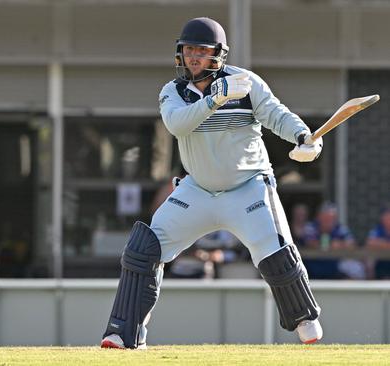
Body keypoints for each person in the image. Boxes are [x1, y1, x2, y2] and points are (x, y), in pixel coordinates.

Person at [101, 17, 324, 349]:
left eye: (201, 51)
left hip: (249, 186)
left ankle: (304, 317)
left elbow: (277, 114)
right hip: (198, 190)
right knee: (144, 247)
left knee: (274, 251)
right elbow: (177, 125)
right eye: (189, 50)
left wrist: (304, 137)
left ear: (218, 55)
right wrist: (214, 100)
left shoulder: (246, 83)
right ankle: (125, 331)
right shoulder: (173, 92)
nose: (193, 58)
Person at [301, 202, 363, 279]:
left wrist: (338, 244)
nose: (329, 221)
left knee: (355, 268)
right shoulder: (311, 227)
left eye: (332, 218)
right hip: (312, 268)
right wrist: (330, 244)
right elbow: (309, 243)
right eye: (326, 218)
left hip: (334, 267)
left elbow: (351, 244)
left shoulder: (339, 228)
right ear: (319, 216)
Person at [365, 205, 390, 279]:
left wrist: (382, 244)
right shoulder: (378, 229)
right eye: (387, 217)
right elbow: (370, 243)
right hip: (381, 265)